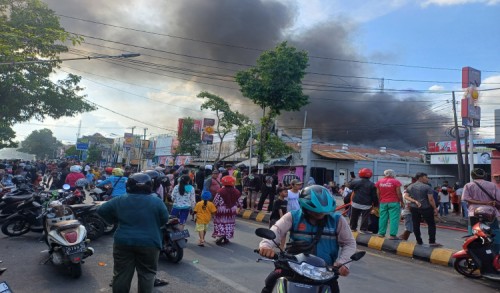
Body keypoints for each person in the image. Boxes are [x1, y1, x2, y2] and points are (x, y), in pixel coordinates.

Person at [259, 185, 356, 293]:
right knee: (270, 282)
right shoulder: (293, 216)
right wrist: (266, 245)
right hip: (293, 268)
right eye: (316, 211)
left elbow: (349, 243)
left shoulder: (337, 220)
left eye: (323, 212)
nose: (320, 214)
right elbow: (276, 230)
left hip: (324, 271)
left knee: (334, 289)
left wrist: (343, 263)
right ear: (305, 207)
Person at [97, 173, 169, 293]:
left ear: (128, 186)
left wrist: (114, 221)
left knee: (121, 274)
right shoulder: (156, 201)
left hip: (123, 242)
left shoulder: (120, 200)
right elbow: (164, 219)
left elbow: (101, 210)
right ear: (149, 186)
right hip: (150, 243)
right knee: (147, 274)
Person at [462, 168, 500, 254]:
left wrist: (481, 202)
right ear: (484, 175)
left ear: (472, 176)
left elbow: (466, 199)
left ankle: (476, 252)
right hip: (490, 212)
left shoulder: (468, 185)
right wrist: (488, 202)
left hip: (474, 213)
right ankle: (496, 252)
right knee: (495, 231)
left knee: (475, 232)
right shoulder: (492, 185)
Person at [404, 172, 442, 247]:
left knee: (416, 224)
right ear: (420, 178)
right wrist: (435, 208)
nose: (427, 179)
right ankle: (432, 241)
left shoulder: (411, 186)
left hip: (414, 207)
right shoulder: (427, 187)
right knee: (431, 224)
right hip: (426, 208)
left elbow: (406, 196)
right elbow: (431, 199)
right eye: (426, 177)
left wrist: (414, 201)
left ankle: (419, 240)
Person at [212, 175, 242, 245]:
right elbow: (240, 202)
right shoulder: (236, 191)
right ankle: (226, 238)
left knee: (220, 223)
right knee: (229, 224)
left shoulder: (220, 191)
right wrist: (240, 208)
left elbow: (215, 202)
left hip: (221, 210)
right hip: (232, 210)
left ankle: (221, 234)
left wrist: (214, 209)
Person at [375, 169, 402, 239]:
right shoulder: (396, 182)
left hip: (383, 202)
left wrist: (380, 200)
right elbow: (399, 193)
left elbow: (378, 193)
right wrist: (401, 201)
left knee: (382, 218)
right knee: (394, 219)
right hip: (394, 202)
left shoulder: (379, 182)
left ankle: (381, 233)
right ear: (393, 174)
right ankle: (392, 235)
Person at [348, 168, 378, 234]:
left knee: (354, 216)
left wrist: (352, 180)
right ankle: (363, 229)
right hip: (366, 204)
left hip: (355, 202)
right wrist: (376, 204)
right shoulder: (372, 184)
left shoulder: (355, 182)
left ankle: (352, 228)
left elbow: (349, 187)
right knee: (365, 217)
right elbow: (374, 196)